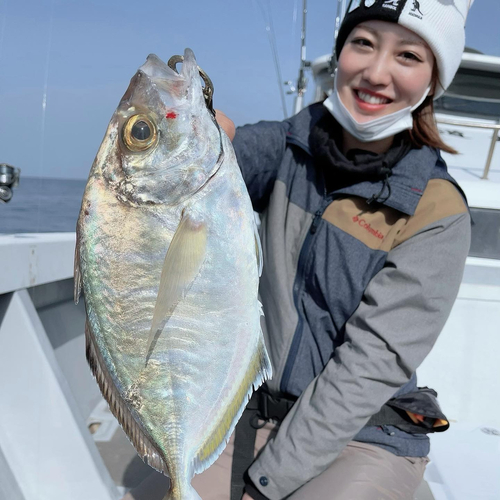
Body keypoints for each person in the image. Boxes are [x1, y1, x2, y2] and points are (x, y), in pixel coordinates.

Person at [123, 1, 473, 499]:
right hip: (240, 409)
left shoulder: (436, 212)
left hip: (362, 435)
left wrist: (265, 485)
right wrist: (189, 127)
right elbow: (194, 178)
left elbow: (367, 367)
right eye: (363, 44)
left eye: (408, 57)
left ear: (434, 80)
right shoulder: (290, 145)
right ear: (341, 54)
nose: (377, 73)